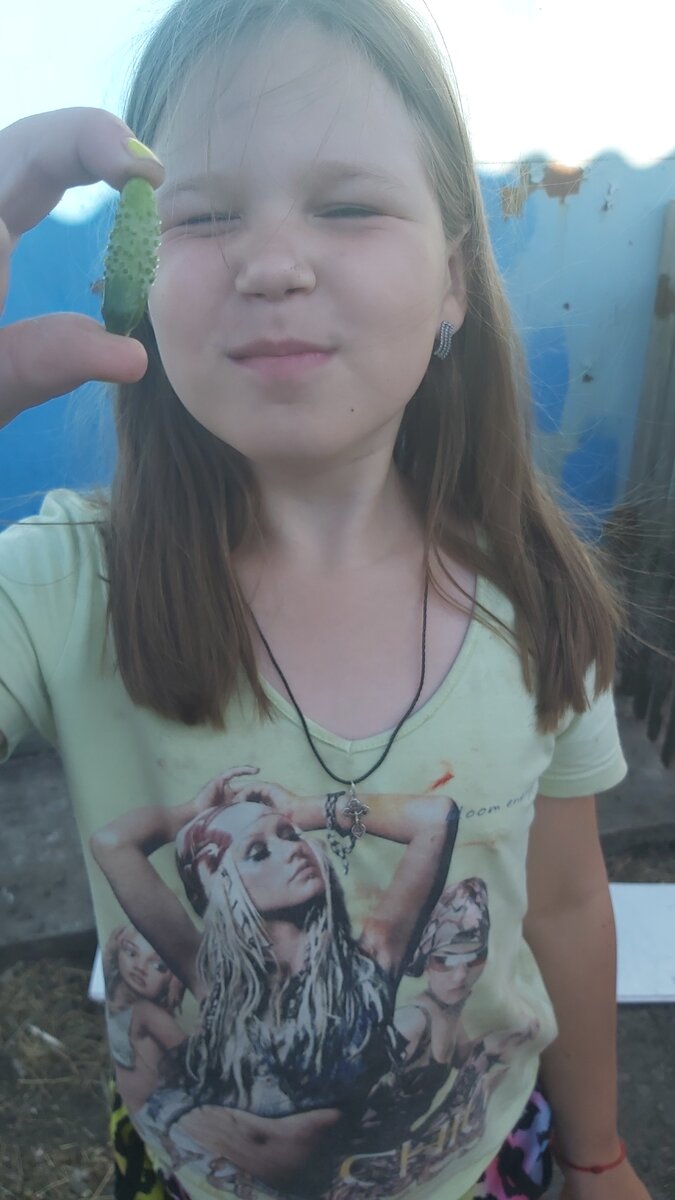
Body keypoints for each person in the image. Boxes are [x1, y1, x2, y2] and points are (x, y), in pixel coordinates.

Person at [0, 0, 651, 1198]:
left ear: (456, 278)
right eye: (201, 214)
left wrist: (598, 1152)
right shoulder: (60, 585)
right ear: (136, 274)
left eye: (347, 205)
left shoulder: (539, 598)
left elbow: (564, 904)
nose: (272, 264)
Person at [102, 924, 187, 1114]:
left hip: (160, 1111)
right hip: (135, 1111)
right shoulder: (117, 1000)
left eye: (158, 966)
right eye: (131, 953)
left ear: (173, 979)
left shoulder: (146, 1013)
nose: (140, 968)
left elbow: (193, 1057)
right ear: (117, 951)